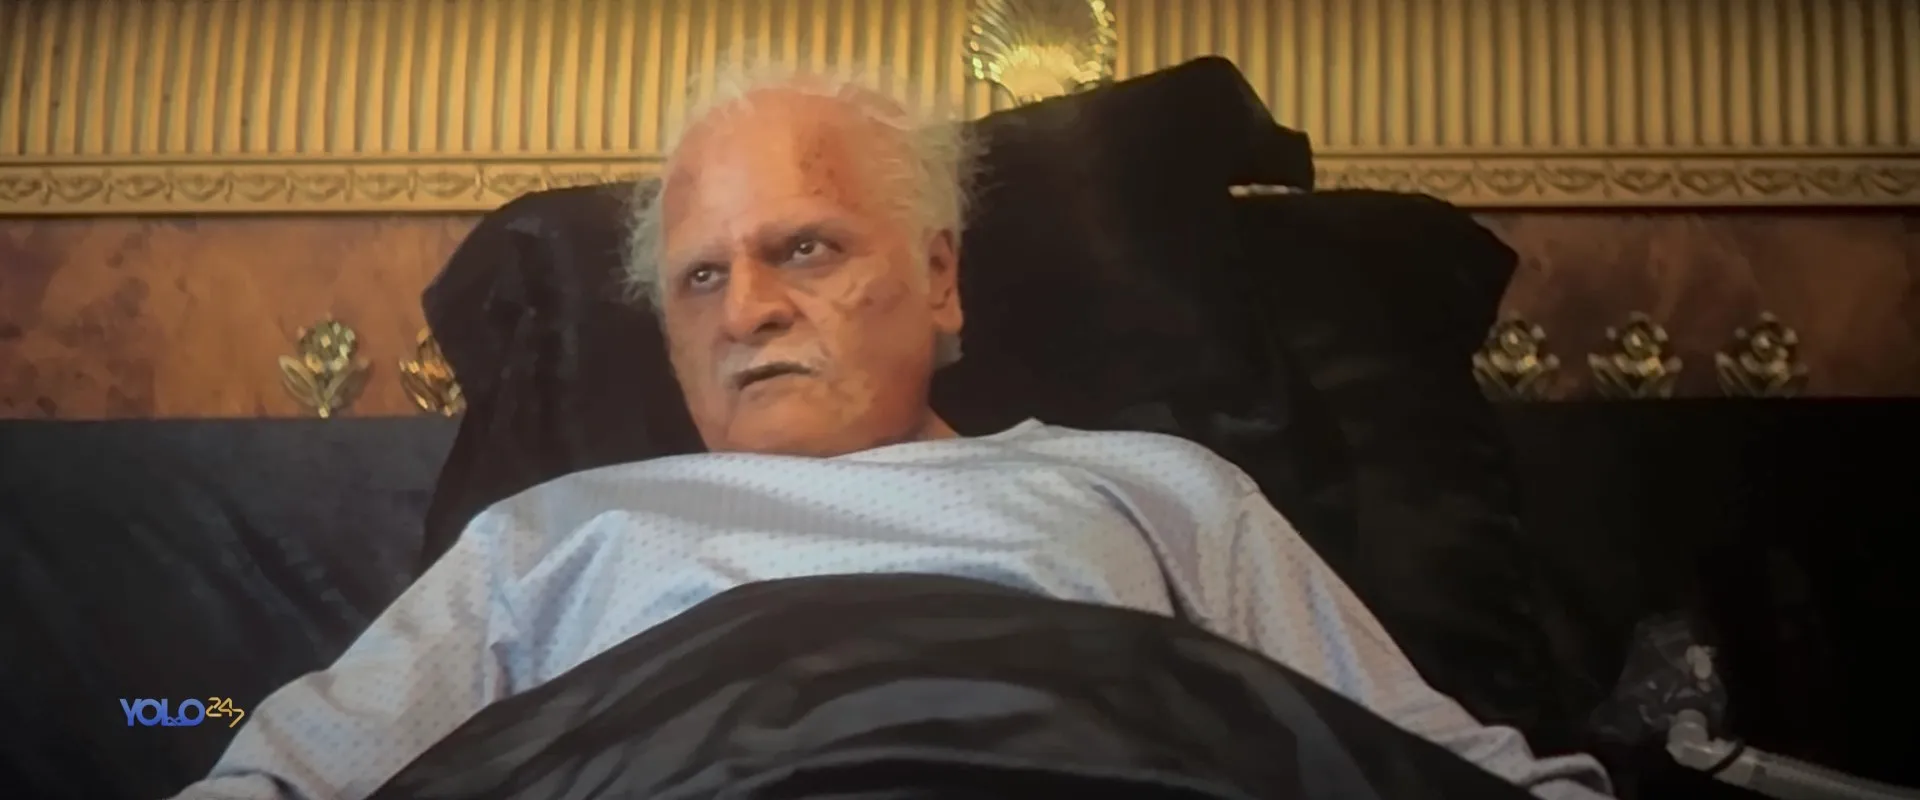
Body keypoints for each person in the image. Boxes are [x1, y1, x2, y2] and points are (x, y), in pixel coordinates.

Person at [170, 68, 1613, 800]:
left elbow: (1449, 768)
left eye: (803, 248)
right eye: (699, 279)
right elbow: (279, 775)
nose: (747, 309)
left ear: (938, 280)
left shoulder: (1157, 489)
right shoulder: (549, 534)